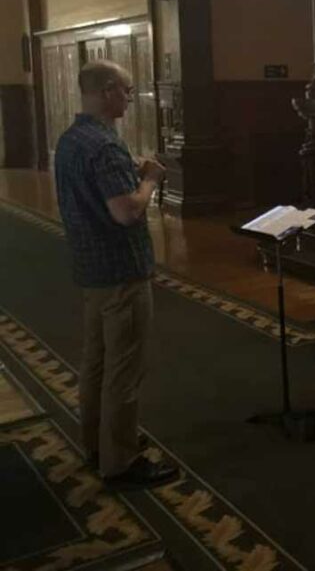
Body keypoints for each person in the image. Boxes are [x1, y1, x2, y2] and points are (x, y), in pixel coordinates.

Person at [53, 60, 179, 488]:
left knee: (97, 363)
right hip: (122, 269)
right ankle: (121, 461)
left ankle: (96, 444)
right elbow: (125, 211)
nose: (129, 95)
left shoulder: (71, 139)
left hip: (91, 268)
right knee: (124, 368)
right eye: (126, 89)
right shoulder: (105, 145)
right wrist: (151, 180)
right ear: (107, 91)